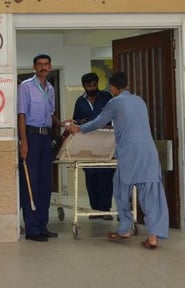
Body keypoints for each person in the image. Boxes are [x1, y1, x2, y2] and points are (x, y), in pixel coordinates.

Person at [65, 71, 168, 249]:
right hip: (149, 151)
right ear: (126, 85)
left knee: (121, 188)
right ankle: (153, 236)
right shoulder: (139, 100)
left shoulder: (115, 102)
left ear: (112, 88)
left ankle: (124, 229)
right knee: (151, 192)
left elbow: (98, 122)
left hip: (129, 151)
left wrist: (79, 128)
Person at [18, 54, 61, 242]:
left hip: (46, 138)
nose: (43, 67)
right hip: (32, 136)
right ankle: (32, 229)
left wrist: (61, 124)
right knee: (31, 183)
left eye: (46, 64)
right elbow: (21, 115)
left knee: (45, 184)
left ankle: (43, 225)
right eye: (40, 64)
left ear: (50, 66)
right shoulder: (25, 86)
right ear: (34, 67)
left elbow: (51, 114)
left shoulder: (50, 88)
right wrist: (24, 142)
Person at [72, 72, 115, 220]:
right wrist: (81, 123)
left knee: (105, 176)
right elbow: (76, 121)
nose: (91, 88)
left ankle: (105, 209)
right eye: (88, 86)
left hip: (105, 142)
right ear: (84, 86)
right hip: (87, 143)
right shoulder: (80, 101)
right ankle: (95, 209)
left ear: (97, 84)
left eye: (94, 85)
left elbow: (113, 116)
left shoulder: (106, 97)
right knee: (91, 176)